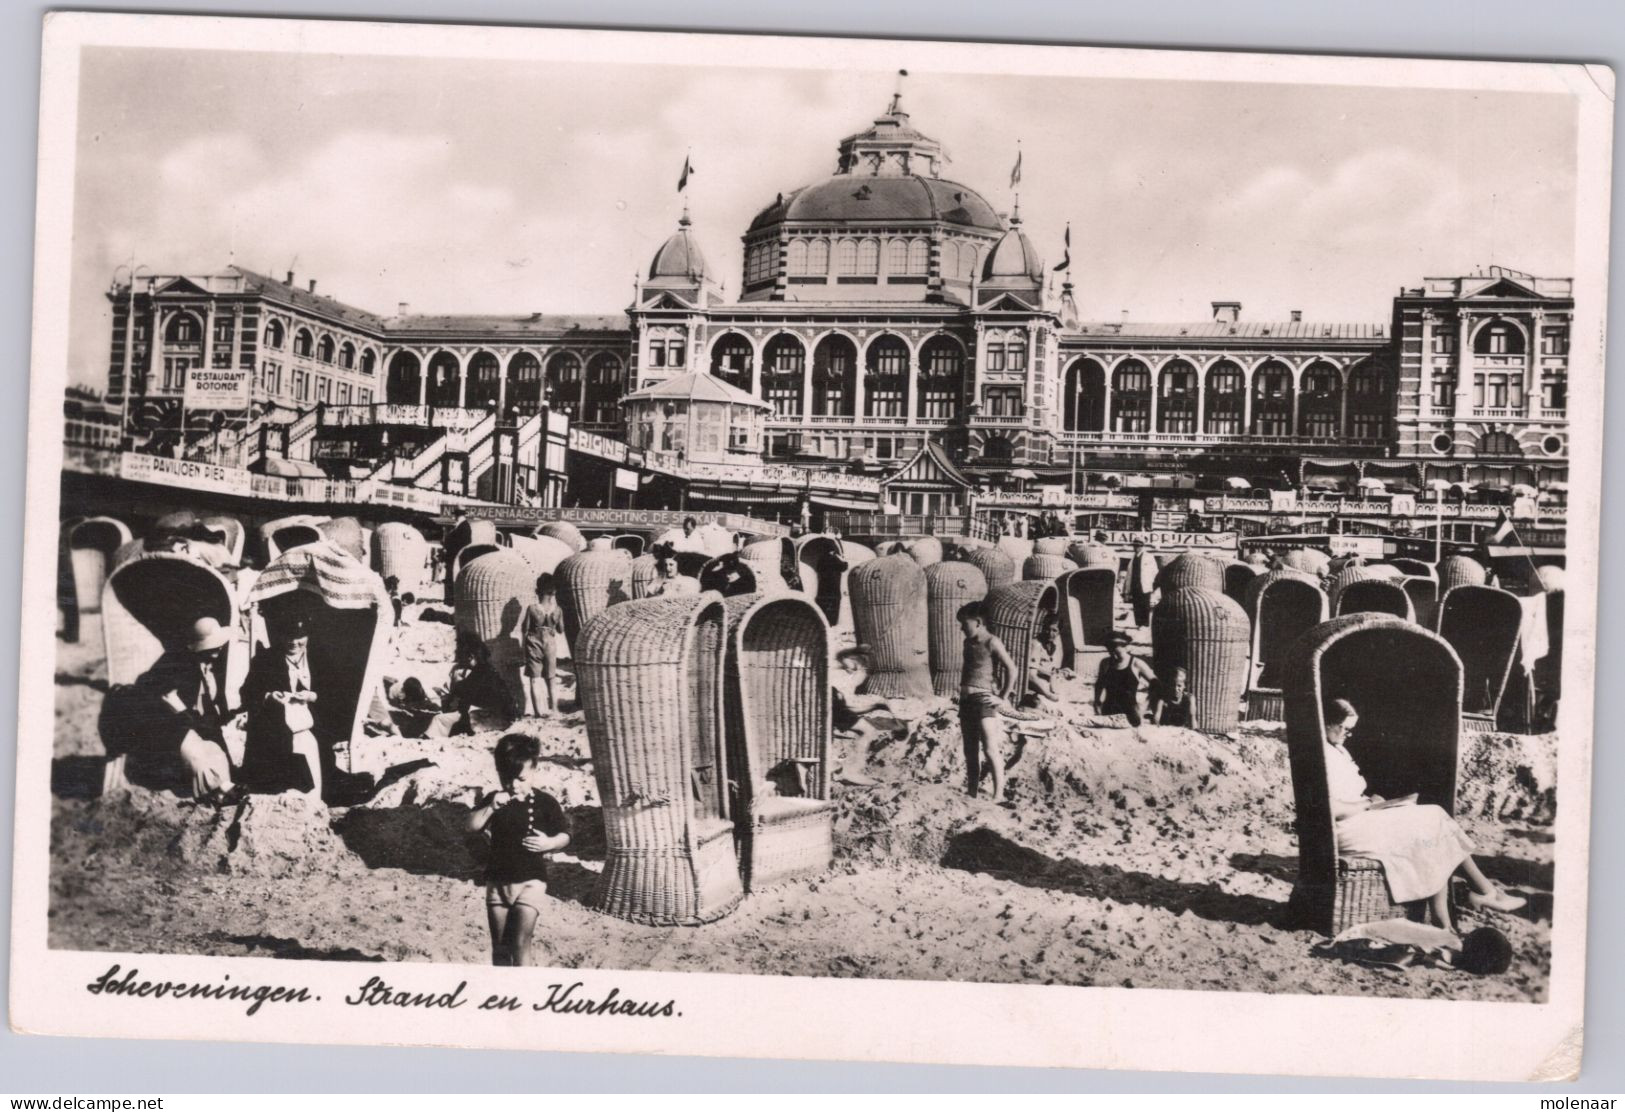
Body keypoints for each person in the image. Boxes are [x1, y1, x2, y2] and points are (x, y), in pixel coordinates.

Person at [1322, 699, 1525, 927]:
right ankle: (1481, 895)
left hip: (1361, 820)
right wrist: (1366, 805)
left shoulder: (1336, 750)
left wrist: (1375, 803)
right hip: (1346, 829)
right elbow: (1331, 808)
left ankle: (1453, 916)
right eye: (1346, 729)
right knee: (1433, 820)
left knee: (1431, 828)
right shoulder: (1320, 756)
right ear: (1328, 723)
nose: (1349, 735)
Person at [100, 615, 238, 802]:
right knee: (197, 756)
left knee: (214, 750)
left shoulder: (203, 663)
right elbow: (166, 701)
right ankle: (219, 791)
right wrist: (193, 722)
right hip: (161, 723)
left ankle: (225, 785)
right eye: (213, 647)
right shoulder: (179, 666)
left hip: (183, 719)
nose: (217, 651)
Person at [465, 733, 571, 966]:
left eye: (521, 779)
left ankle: (526, 989)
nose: (513, 785)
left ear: (534, 768)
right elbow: (471, 826)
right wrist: (491, 807)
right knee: (500, 947)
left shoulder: (545, 802)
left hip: (531, 880)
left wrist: (550, 844)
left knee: (521, 942)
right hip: (498, 881)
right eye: (506, 778)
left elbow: (564, 835)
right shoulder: (495, 799)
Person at [239, 615, 323, 797]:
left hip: (311, 725)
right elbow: (247, 693)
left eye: (299, 637)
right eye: (288, 637)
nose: (293, 642)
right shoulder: (266, 659)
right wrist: (268, 697)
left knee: (313, 756)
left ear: (308, 636)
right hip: (275, 727)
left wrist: (312, 696)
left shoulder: (319, 658)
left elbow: (335, 693)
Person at [957, 601, 1018, 803]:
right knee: (970, 749)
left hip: (983, 700)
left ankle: (998, 794)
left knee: (990, 748)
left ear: (978, 622)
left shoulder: (992, 641)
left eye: (964, 624)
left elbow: (1012, 669)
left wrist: (1002, 697)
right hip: (966, 700)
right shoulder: (968, 643)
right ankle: (972, 792)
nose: (961, 628)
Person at [520, 574, 564, 715]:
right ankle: (555, 709)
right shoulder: (557, 610)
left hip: (534, 642)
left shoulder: (532, 609)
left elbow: (525, 629)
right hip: (550, 643)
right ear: (554, 592)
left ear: (537, 591)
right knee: (551, 678)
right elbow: (561, 630)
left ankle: (539, 712)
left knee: (534, 678)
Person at [1094, 630, 1157, 726]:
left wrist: (1144, 706)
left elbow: (1157, 685)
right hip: (1108, 711)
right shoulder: (1105, 663)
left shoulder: (1136, 664)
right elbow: (1099, 684)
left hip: (1131, 714)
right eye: (1110, 652)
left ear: (1125, 648)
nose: (1113, 655)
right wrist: (1097, 702)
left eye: (1117, 653)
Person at [1124, 539, 1158, 627]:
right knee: (1136, 605)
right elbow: (1128, 574)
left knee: (1145, 605)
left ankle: (1145, 624)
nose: (1135, 548)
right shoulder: (1132, 558)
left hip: (1145, 585)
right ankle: (1138, 624)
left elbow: (1155, 572)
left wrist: (1153, 584)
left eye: (1138, 546)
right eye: (1134, 546)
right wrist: (1127, 589)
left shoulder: (1149, 557)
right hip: (1135, 585)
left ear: (1142, 546)